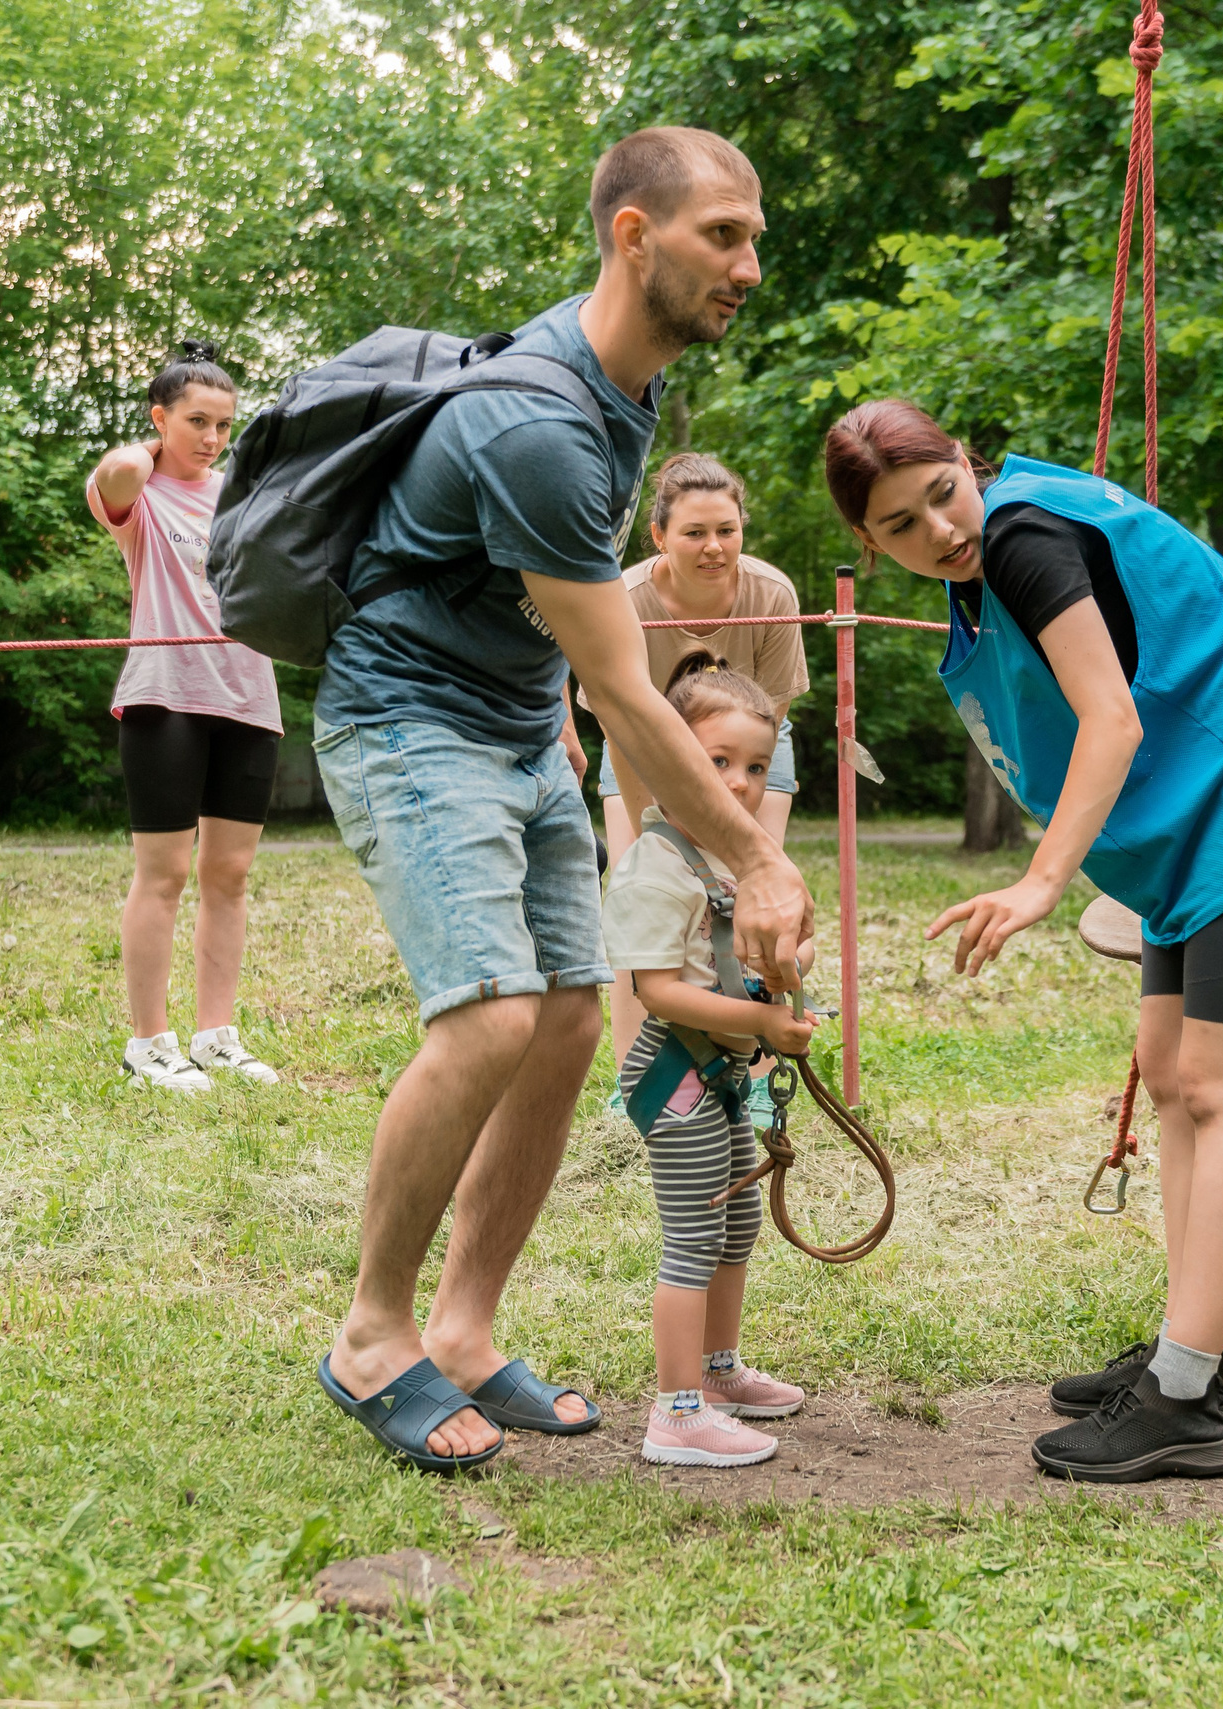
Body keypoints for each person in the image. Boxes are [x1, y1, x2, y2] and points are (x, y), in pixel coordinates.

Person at [307, 128, 814, 1474]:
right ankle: (373, 1335)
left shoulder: (623, 394)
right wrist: (756, 865)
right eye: (723, 235)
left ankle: (465, 1331)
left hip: (519, 725)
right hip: (412, 721)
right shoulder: (536, 420)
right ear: (631, 236)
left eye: (755, 236)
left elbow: (579, 677)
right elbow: (629, 688)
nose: (750, 265)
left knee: (570, 1024)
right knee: (487, 1021)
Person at [823, 399, 1223, 1484]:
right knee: (1171, 1076)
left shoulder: (1026, 537)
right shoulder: (977, 576)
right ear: (868, 544)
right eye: (899, 525)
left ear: (962, 460)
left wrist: (1042, 880)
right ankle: (1189, 1350)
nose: (938, 529)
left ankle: (1182, 1396)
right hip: (1197, 824)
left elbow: (1111, 716)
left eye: (941, 491)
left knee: (1221, 1087)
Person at [601, 653, 816, 1468]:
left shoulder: (729, 863)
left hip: (722, 1074)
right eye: (716, 761)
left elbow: (719, 966)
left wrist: (778, 986)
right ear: (670, 759)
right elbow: (659, 992)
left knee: (737, 1219)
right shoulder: (658, 864)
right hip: (675, 1075)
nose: (739, 783)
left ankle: (718, 1371)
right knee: (693, 1235)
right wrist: (761, 1015)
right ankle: (675, 1410)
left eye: (755, 767)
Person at [86, 341, 284, 1094]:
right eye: (196, 420)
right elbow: (122, 474)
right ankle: (148, 1044)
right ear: (158, 417)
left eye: (224, 424)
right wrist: (154, 442)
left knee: (228, 875)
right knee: (164, 874)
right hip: (164, 695)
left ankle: (215, 1035)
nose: (211, 438)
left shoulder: (240, 494)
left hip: (248, 695)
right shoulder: (137, 494)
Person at [585, 452, 808, 1118]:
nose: (714, 547)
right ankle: (636, 1081)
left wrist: (736, 831)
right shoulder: (624, 600)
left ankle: (756, 1075)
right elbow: (624, 728)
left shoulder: (771, 595)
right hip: (643, 750)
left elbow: (769, 726)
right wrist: (663, 836)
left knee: (757, 895)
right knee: (642, 899)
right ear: (659, 536)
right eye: (694, 532)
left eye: (727, 530)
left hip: (750, 751)